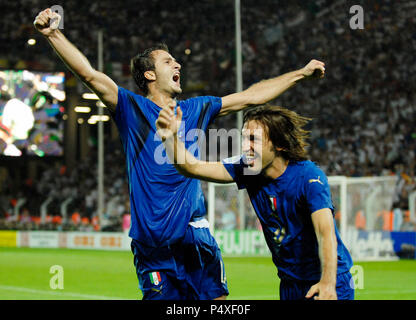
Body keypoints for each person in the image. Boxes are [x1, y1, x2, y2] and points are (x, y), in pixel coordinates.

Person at [34, 8, 326, 300]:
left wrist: (299, 74)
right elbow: (90, 75)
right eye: (168, 61)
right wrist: (53, 34)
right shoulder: (131, 108)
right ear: (149, 74)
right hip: (153, 245)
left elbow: (250, 96)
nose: (178, 64)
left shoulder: (196, 108)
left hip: (194, 236)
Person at [156, 104, 354, 300]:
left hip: (328, 281)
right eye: (243, 138)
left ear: (280, 144)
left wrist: (328, 283)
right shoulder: (247, 169)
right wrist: (170, 138)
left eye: (253, 139)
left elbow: (325, 232)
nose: (244, 146)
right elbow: (193, 167)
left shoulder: (309, 177)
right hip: (290, 284)